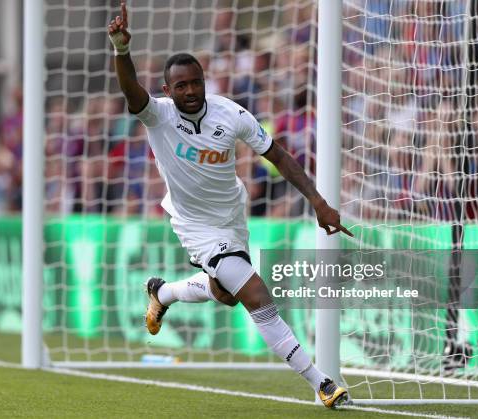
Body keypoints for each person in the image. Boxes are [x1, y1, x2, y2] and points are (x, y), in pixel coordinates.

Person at [108, 2, 352, 408]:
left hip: (233, 215)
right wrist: (121, 50)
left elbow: (278, 155)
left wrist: (318, 201)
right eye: (180, 86)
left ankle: (163, 292)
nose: (189, 91)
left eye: (195, 83)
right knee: (257, 295)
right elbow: (132, 90)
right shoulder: (159, 116)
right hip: (195, 224)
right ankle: (322, 383)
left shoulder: (231, 114)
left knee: (226, 293)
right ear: (168, 90)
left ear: (205, 80)